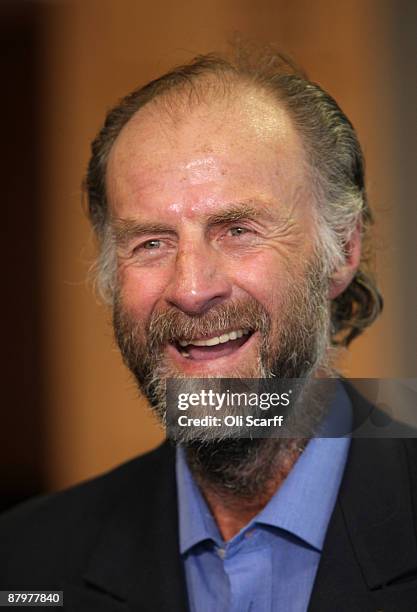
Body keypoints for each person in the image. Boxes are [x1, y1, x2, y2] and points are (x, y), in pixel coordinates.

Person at [1, 48, 417, 612]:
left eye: (237, 229)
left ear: (342, 251)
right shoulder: (27, 565)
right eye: (151, 242)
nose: (192, 289)